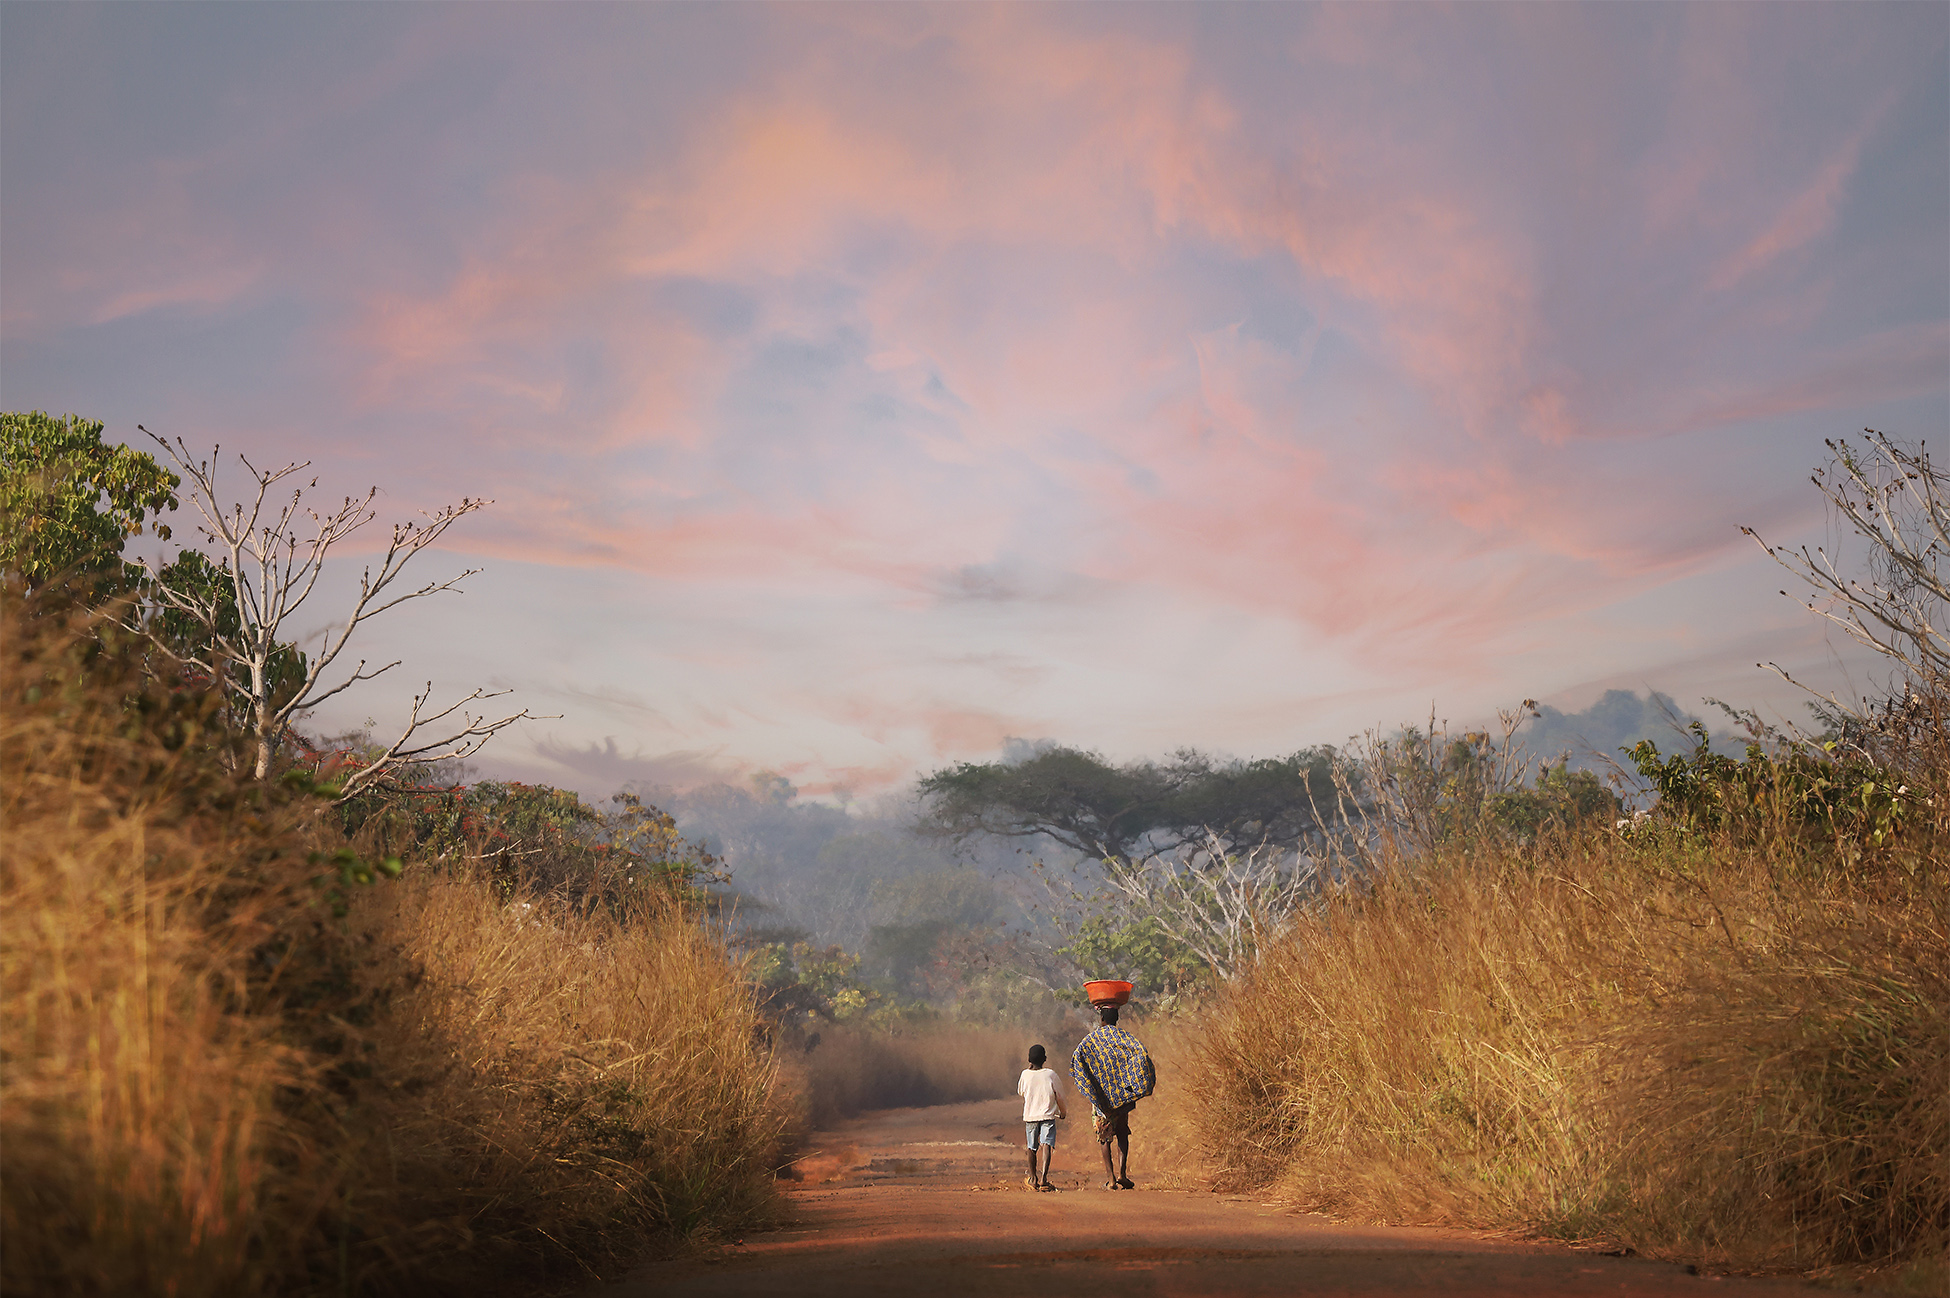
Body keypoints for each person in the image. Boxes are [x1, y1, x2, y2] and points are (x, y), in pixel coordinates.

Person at [1071, 1004, 1155, 1190]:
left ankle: (1110, 1180)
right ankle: (1122, 1175)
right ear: (1116, 1019)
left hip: (1102, 1102)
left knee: (1104, 1138)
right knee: (1123, 1133)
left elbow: (1077, 1058)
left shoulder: (1091, 1040)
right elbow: (1141, 1054)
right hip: (1121, 1099)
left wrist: (1091, 1087)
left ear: (1102, 1019)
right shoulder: (1125, 1039)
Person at [1017, 1043, 1066, 1191]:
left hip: (1031, 1116)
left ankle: (1033, 1178)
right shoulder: (1051, 1074)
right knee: (1046, 1145)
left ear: (1029, 1060)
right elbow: (1060, 1096)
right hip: (1048, 1115)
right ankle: (1044, 1179)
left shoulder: (1025, 1074)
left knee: (1031, 1147)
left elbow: (1021, 1092)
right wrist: (1063, 1112)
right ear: (1045, 1059)